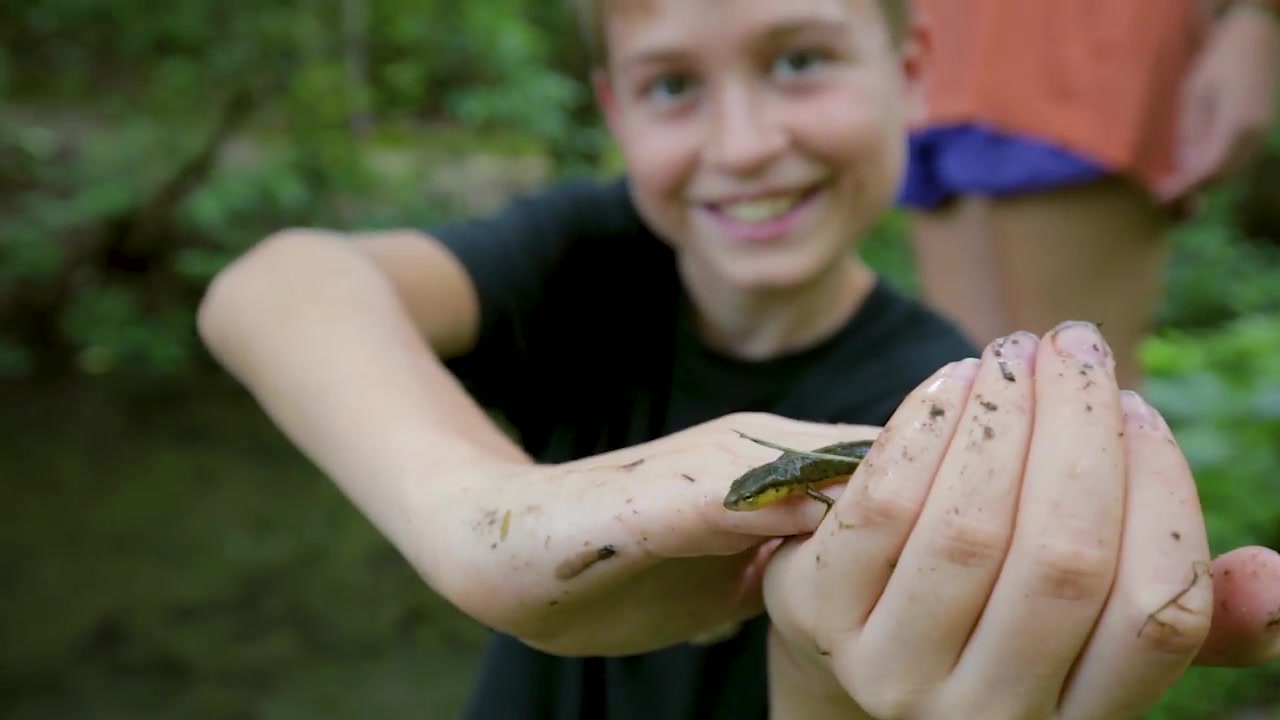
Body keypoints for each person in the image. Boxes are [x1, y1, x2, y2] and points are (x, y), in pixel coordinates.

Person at [196, 1, 1280, 718]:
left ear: (908, 78)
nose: (745, 142)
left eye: (798, 61)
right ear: (614, 110)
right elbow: (275, 284)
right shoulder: (588, 256)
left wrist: (818, 670)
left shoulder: (938, 400)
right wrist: (488, 517)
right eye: (673, 85)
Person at [899, 0, 1280, 391]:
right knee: (969, 394)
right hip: (944, 38)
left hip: (1093, 43)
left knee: (1076, 389)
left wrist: (1255, 17)